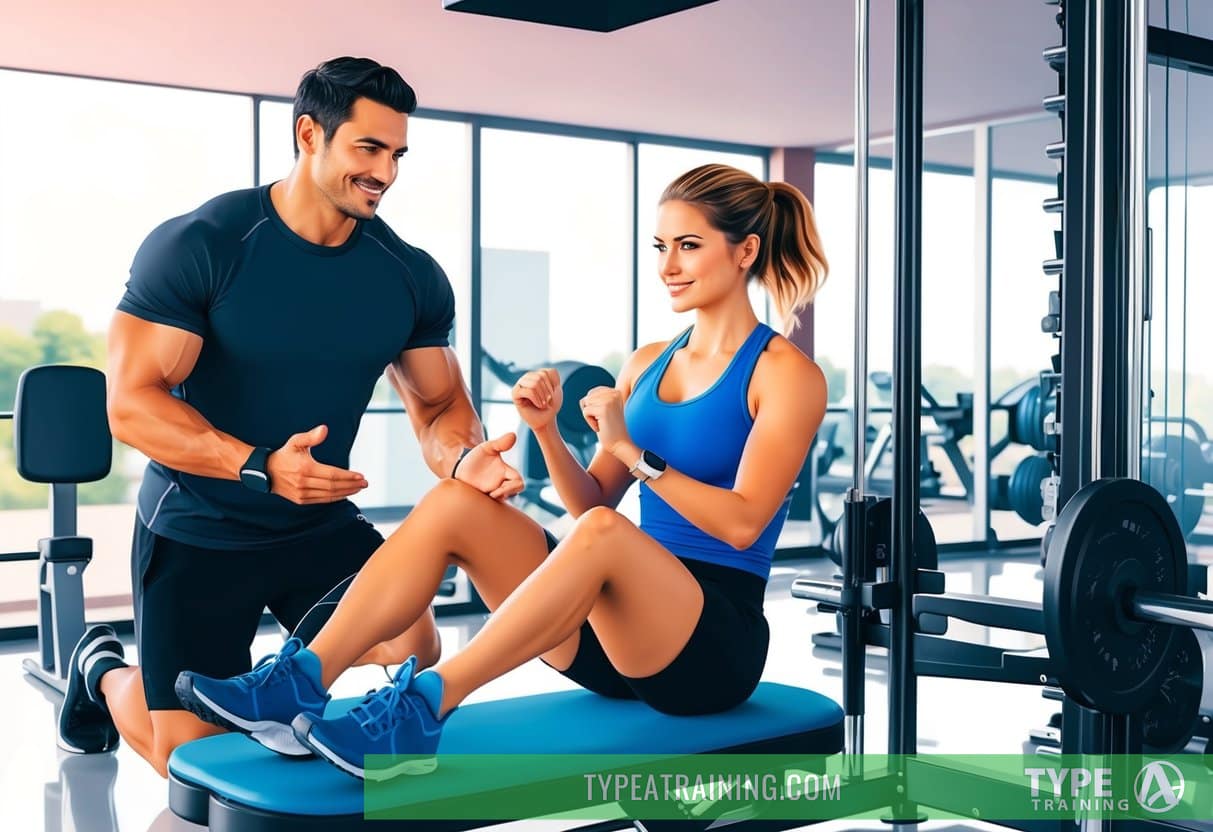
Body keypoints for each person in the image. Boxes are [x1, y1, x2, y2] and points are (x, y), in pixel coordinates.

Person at [177, 163, 830, 780]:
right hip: (613, 636)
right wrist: (545, 430)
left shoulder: (785, 375)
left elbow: (743, 524)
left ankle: (423, 709)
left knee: (603, 533)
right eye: (660, 247)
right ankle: (300, 682)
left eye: (688, 246)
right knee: (455, 501)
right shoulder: (647, 363)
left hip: (709, 649)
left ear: (744, 252)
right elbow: (592, 502)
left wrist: (633, 453)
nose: (667, 266)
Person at [56, 57, 525, 777]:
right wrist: (258, 466)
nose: (386, 173)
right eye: (368, 149)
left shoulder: (407, 274)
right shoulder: (205, 244)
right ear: (310, 135)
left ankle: (277, 684)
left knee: (413, 644)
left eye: (397, 154)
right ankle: (103, 672)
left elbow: (437, 405)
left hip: (316, 524)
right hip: (201, 525)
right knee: (192, 761)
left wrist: (464, 457)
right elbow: (131, 402)